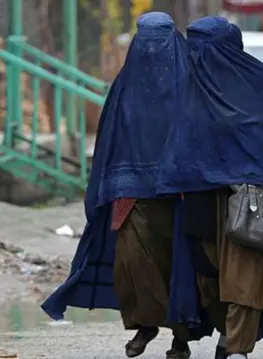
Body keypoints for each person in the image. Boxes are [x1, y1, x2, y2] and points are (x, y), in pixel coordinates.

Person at [41, 12, 214, 359]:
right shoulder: (125, 88)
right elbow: (109, 141)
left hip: (181, 195)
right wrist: (108, 185)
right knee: (132, 265)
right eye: (146, 40)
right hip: (133, 195)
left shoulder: (194, 85)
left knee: (182, 271)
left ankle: (181, 340)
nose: (153, 49)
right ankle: (144, 324)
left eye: (160, 39)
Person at [156, 16, 263, 359]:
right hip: (202, 194)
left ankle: (237, 347)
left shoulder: (258, 82)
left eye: (205, 47)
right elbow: (178, 135)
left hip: (251, 194)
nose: (197, 54)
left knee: (245, 274)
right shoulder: (189, 84)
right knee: (208, 273)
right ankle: (226, 335)